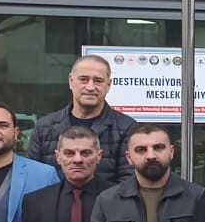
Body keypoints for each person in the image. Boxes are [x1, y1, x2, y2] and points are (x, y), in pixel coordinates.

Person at [27, 54, 138, 188]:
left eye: (98, 81)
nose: (90, 87)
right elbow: (34, 177)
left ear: (108, 85)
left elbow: (128, 182)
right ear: (71, 81)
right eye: (84, 79)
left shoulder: (127, 128)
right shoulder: (44, 127)